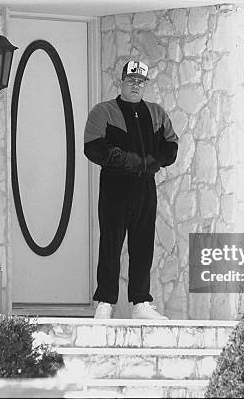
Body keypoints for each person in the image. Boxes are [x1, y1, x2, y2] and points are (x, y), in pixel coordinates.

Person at [83, 60, 179, 319]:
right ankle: (105, 302)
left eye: (140, 82)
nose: (135, 85)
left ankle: (140, 303)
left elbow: (171, 144)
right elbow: (92, 145)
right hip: (115, 185)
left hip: (145, 186)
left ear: (145, 85)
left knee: (143, 244)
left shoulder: (156, 113)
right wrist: (127, 160)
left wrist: (153, 161)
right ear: (121, 82)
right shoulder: (103, 111)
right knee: (111, 243)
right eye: (131, 80)